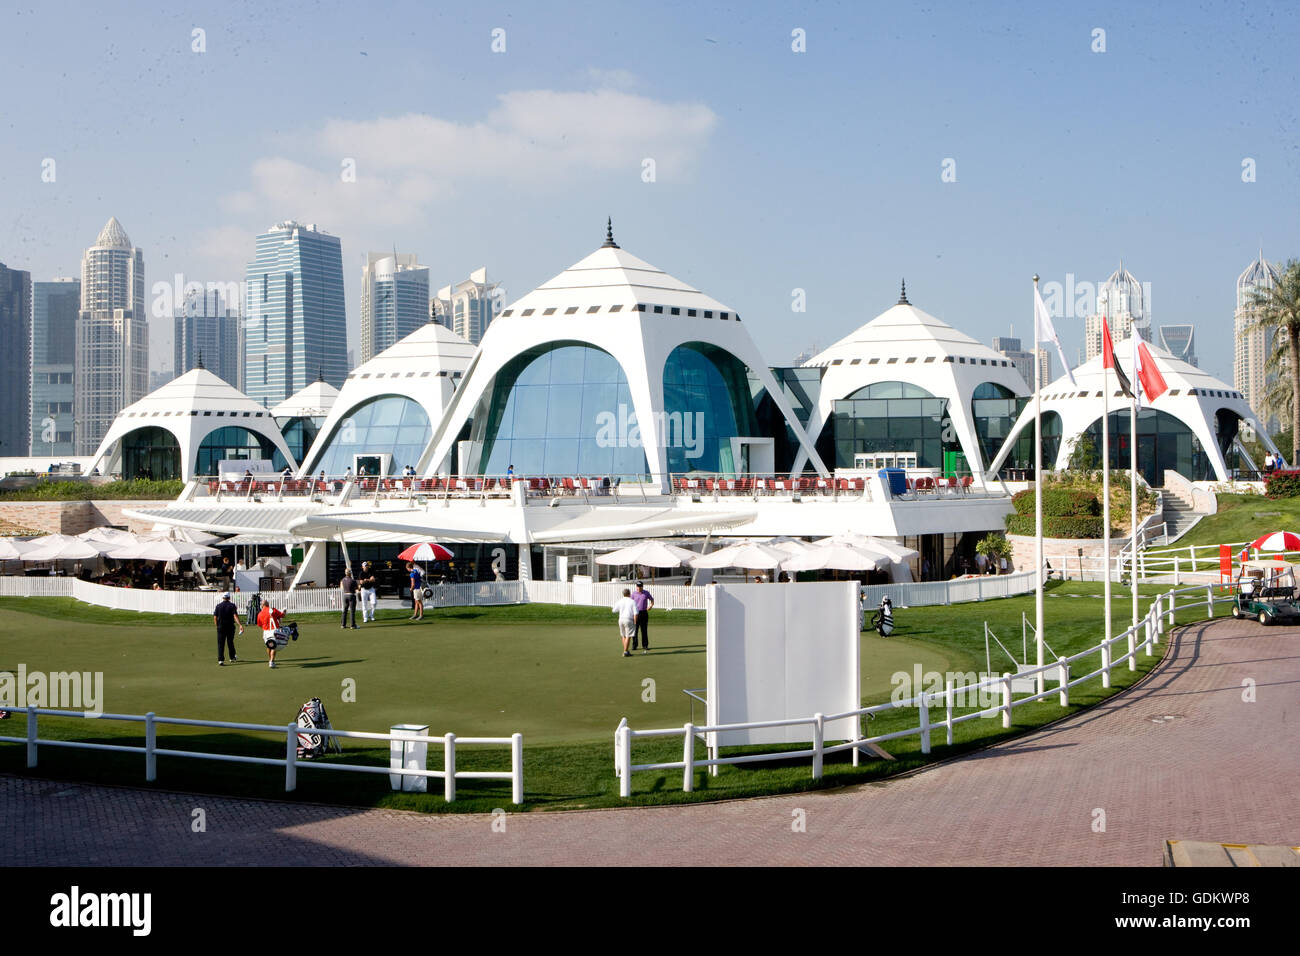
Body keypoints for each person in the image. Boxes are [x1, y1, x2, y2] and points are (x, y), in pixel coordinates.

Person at [213, 591, 243, 665]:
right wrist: (240, 625)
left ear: (223, 597)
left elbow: (215, 617)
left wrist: (217, 625)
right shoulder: (232, 605)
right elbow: (235, 616)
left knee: (220, 643)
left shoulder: (218, 606)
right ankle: (232, 657)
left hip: (221, 627)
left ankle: (221, 660)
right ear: (229, 598)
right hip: (230, 627)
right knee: (230, 642)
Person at [256, 601, 286, 668]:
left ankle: (270, 660)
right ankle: (271, 661)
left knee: (269, 646)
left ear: (262, 605)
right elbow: (282, 615)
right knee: (273, 647)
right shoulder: (272, 610)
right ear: (267, 604)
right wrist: (284, 611)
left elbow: (259, 624)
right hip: (274, 631)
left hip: (266, 632)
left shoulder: (260, 614)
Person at [630, 581, 654, 652]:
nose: (639, 588)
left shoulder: (646, 593)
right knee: (635, 630)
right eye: (637, 586)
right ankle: (634, 645)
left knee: (644, 630)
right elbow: (630, 603)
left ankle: (645, 645)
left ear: (642, 587)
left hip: (644, 613)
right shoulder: (633, 594)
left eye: (640, 586)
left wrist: (651, 606)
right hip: (636, 613)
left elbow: (652, 600)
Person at [612, 588, 637, 657]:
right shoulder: (632, 601)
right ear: (629, 594)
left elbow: (614, 610)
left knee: (623, 635)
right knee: (628, 636)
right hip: (629, 619)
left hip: (621, 619)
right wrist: (635, 622)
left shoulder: (620, 601)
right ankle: (625, 651)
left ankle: (626, 651)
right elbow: (635, 613)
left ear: (623, 594)